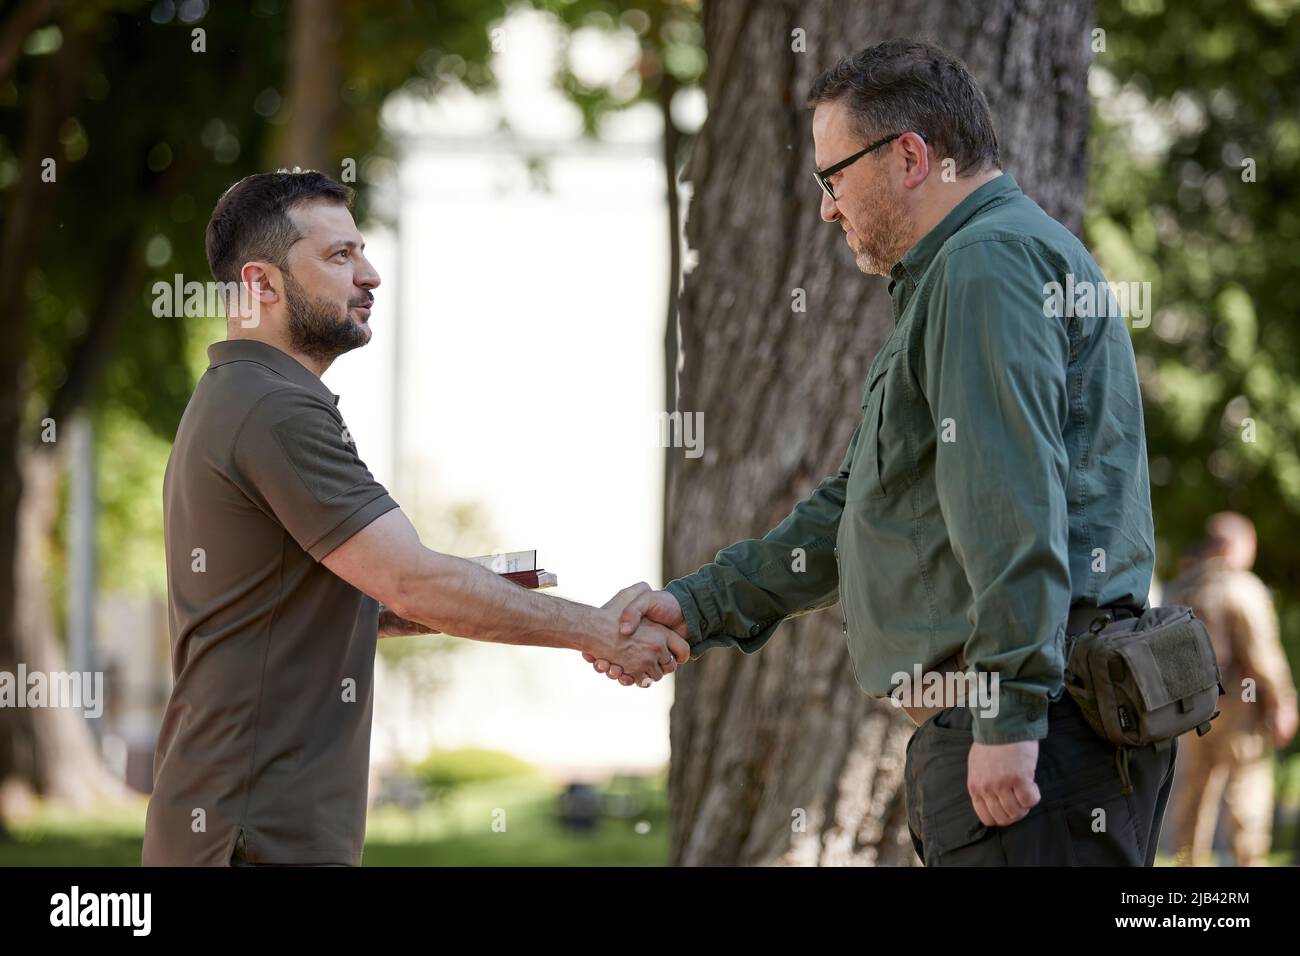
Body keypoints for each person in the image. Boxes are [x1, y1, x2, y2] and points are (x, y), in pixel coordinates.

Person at [598, 39, 1174, 865]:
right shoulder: (967, 270)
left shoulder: (985, 265)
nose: (827, 208)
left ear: (909, 156)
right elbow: (857, 506)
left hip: (1032, 735)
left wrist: (1009, 716)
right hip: (1039, 724)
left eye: (833, 177)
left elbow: (1012, 495)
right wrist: (699, 605)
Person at [143, 170, 688, 867]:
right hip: (249, 839)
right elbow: (408, 581)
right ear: (262, 284)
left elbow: (340, 608)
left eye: (361, 251)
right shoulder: (273, 409)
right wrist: (600, 632)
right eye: (339, 256)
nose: (369, 274)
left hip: (244, 830)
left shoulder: (243, 396)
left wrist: (481, 585)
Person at [1165, 512, 1298, 866]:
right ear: (1237, 546)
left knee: (1193, 797)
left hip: (1191, 709)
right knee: (1246, 794)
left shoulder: (1181, 588)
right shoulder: (1243, 588)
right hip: (1240, 706)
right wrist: (1283, 702)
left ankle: (1186, 865)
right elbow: (1262, 655)